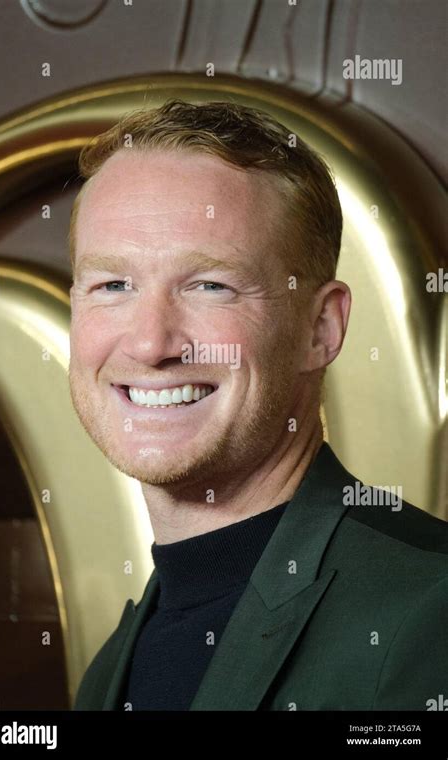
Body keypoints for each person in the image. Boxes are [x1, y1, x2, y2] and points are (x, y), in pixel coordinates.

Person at [68, 99, 448, 711]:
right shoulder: (110, 670)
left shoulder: (431, 613)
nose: (149, 343)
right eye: (113, 285)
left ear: (320, 328)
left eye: (209, 285)